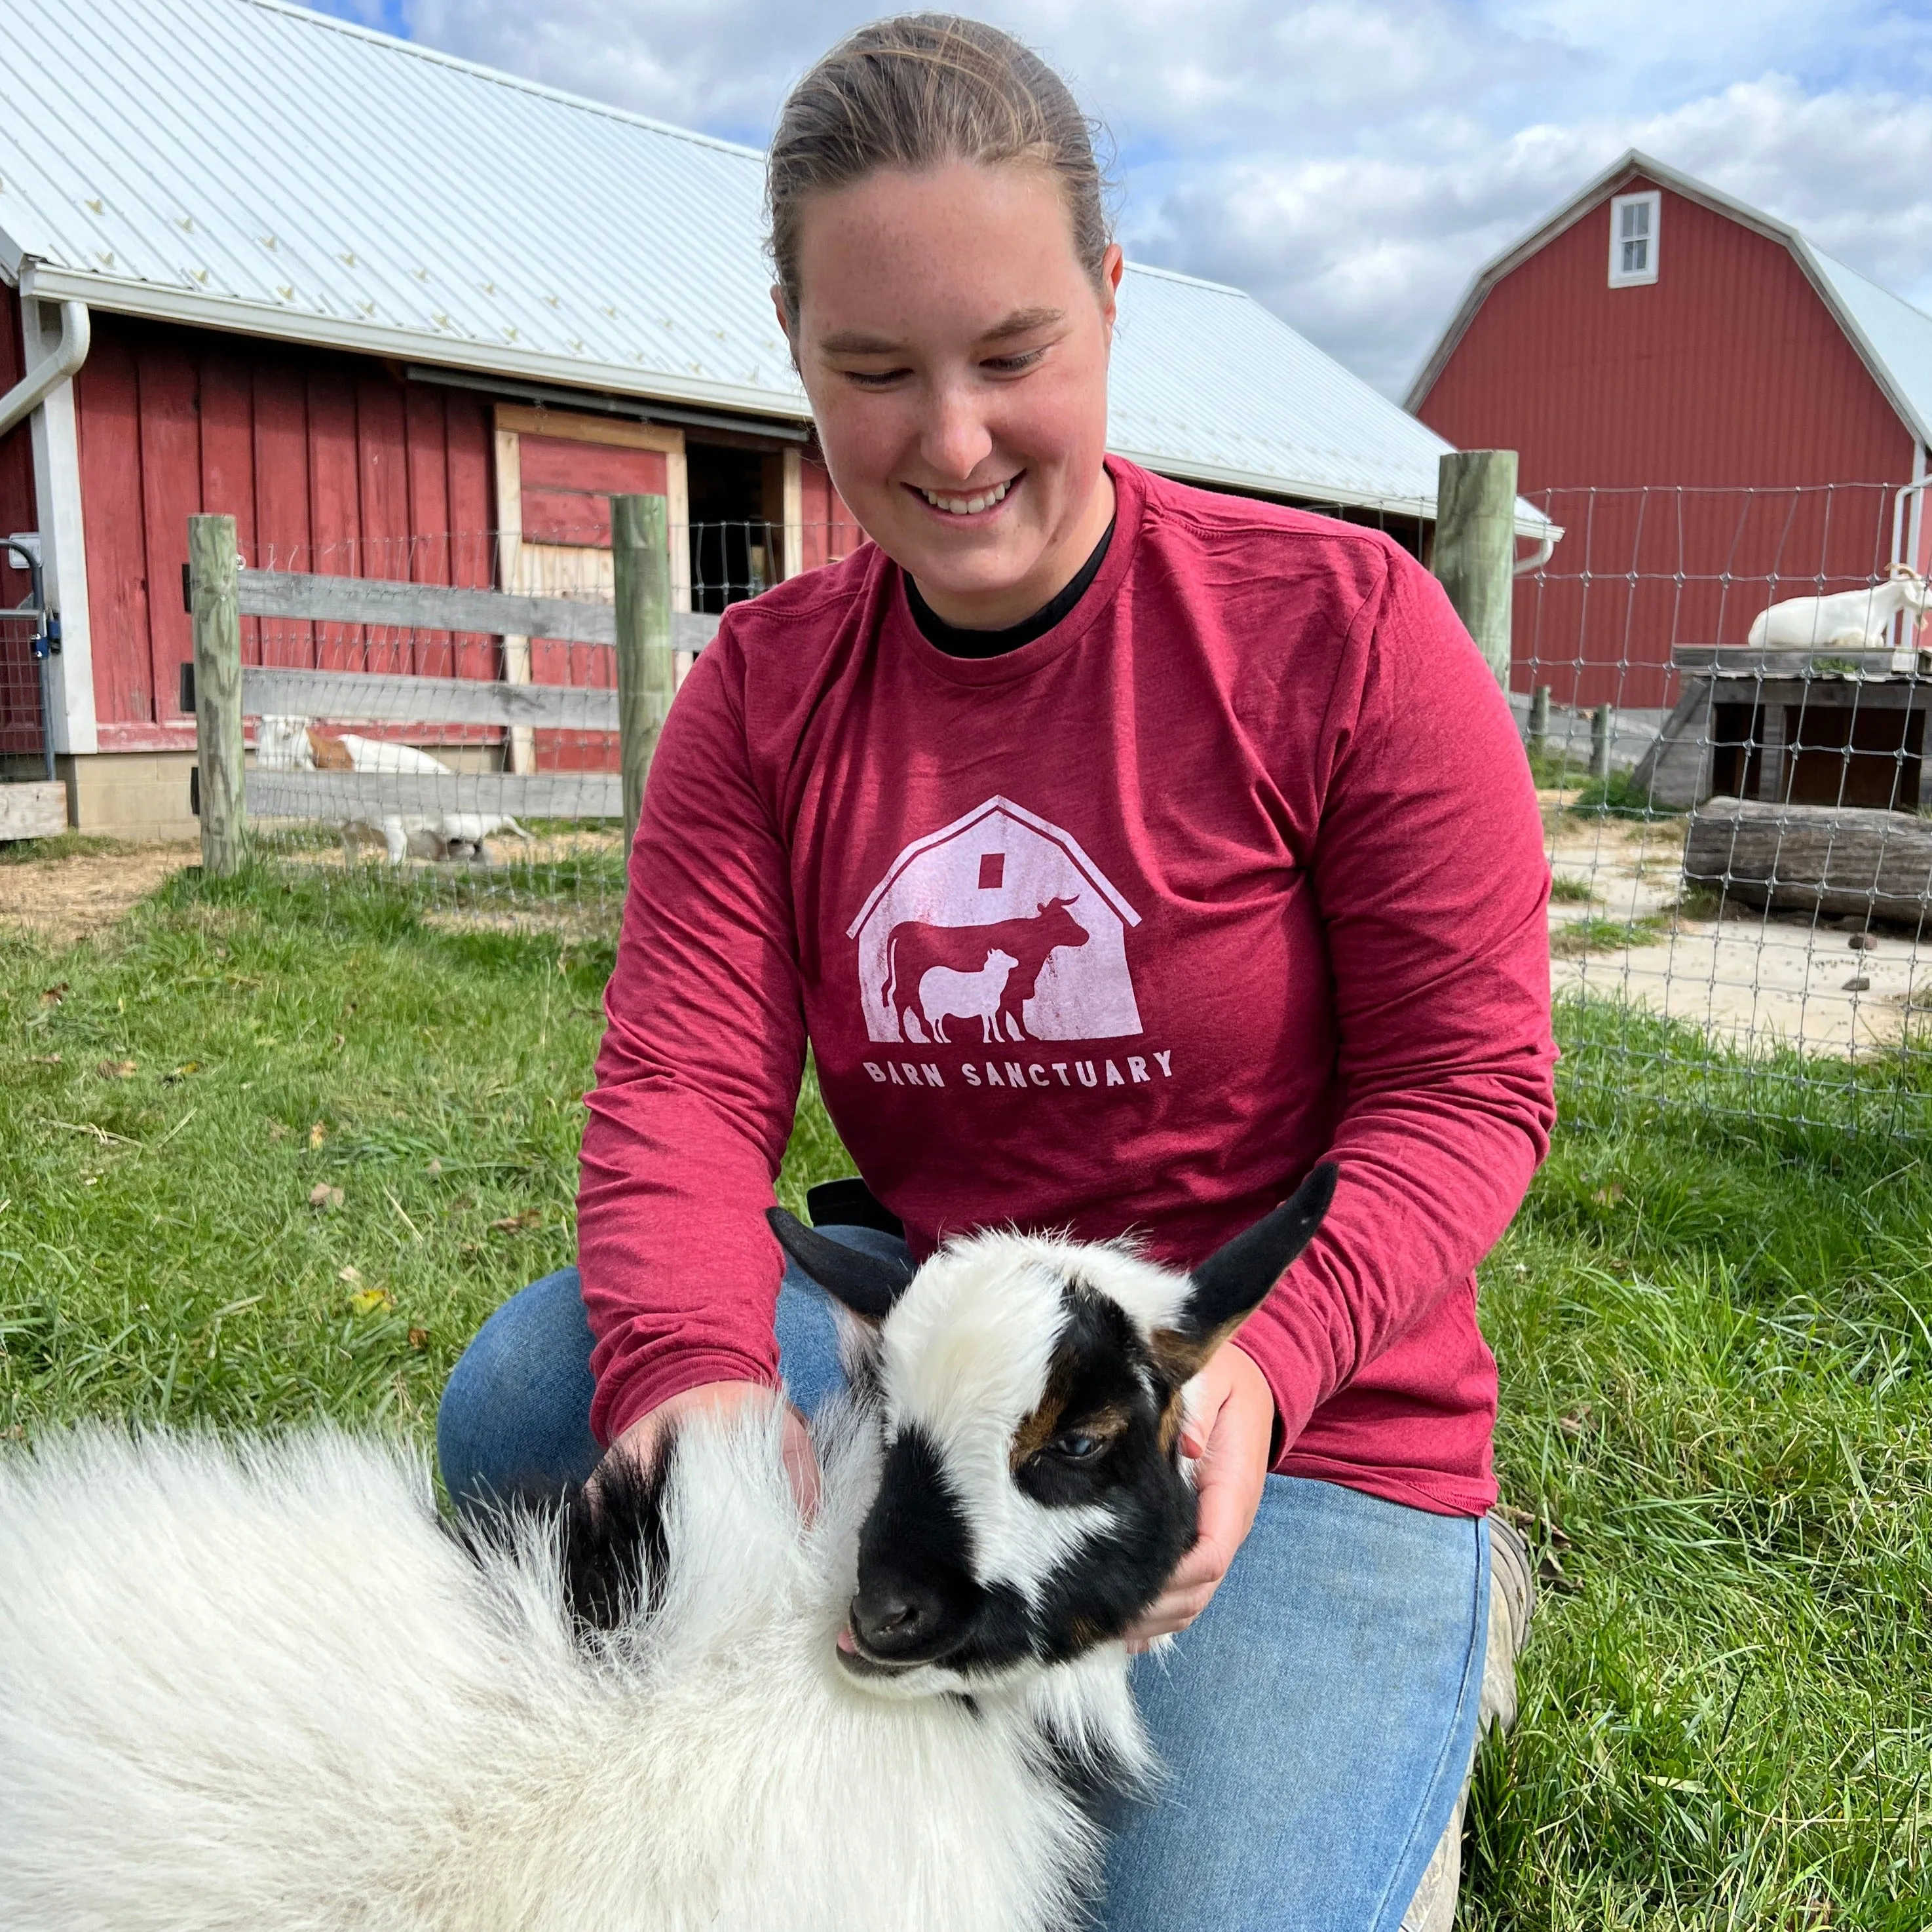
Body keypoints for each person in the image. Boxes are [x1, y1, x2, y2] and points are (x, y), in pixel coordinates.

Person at [437, 15, 1554, 1929]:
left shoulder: (1341, 635)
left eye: (1013, 356)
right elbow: (687, 1095)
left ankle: (1397, 1681)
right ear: (793, 348)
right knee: (540, 1394)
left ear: (1110, 302)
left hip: (1292, 1417)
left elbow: (1468, 1093)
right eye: (873, 370)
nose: (949, 442)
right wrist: (698, 1379)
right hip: (938, 1373)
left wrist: (1262, 1376)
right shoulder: (764, 698)